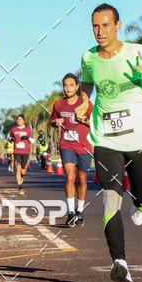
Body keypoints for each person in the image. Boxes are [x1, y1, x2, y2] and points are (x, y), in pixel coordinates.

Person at [80, 3, 142, 282]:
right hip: (105, 138)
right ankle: (119, 262)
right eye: (95, 26)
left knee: (141, 192)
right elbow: (87, 84)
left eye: (105, 25)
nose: (99, 31)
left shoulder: (141, 53)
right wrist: (84, 102)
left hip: (140, 137)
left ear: (118, 25)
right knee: (111, 197)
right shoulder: (88, 58)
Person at [50, 73, 93, 228]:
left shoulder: (86, 104)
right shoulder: (58, 105)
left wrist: (84, 120)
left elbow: (95, 124)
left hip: (83, 146)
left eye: (71, 85)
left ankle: (80, 211)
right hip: (66, 144)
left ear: (77, 86)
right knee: (69, 177)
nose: (68, 88)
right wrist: (56, 122)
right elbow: (52, 121)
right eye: (65, 85)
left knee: (82, 179)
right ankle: (70, 213)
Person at [8, 114, 35, 196]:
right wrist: (11, 139)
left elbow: (33, 141)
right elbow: (9, 138)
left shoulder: (28, 129)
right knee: (18, 169)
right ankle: (20, 187)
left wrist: (27, 137)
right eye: (18, 119)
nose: (19, 120)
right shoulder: (13, 129)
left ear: (24, 121)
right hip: (17, 152)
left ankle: (22, 177)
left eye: (20, 119)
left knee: (23, 171)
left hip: (26, 152)